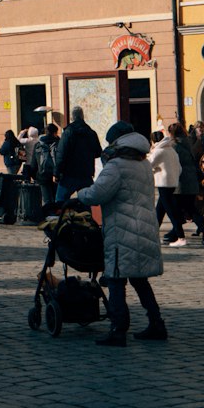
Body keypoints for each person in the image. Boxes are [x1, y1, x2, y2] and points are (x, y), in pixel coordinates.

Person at [76, 122, 167, 345]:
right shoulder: (143, 163)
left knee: (116, 278)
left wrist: (80, 194)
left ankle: (118, 329)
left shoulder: (116, 166)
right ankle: (156, 323)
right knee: (139, 280)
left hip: (122, 230)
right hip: (144, 227)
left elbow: (98, 194)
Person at [170, 121, 204, 246]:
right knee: (190, 208)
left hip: (181, 182)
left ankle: (177, 233)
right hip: (192, 180)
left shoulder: (173, 145)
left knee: (177, 208)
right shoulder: (188, 142)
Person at [54, 107, 101, 203]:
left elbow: (61, 154)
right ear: (83, 116)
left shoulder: (68, 132)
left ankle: (63, 217)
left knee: (60, 201)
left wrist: (57, 173)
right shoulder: (91, 133)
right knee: (86, 202)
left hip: (69, 174)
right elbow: (98, 152)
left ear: (72, 117)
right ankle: (87, 217)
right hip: (86, 174)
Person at [150, 127, 183, 245]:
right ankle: (153, 235)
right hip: (172, 182)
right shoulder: (171, 150)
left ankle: (181, 237)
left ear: (153, 141)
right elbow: (179, 168)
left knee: (170, 210)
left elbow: (149, 164)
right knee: (159, 210)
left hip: (163, 182)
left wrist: (155, 169)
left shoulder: (158, 151)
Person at [34, 123, 60, 204]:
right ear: (55, 133)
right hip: (56, 175)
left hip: (42, 175)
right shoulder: (59, 143)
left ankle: (48, 214)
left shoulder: (38, 144)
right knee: (57, 200)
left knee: (46, 200)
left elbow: (34, 162)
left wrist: (34, 176)